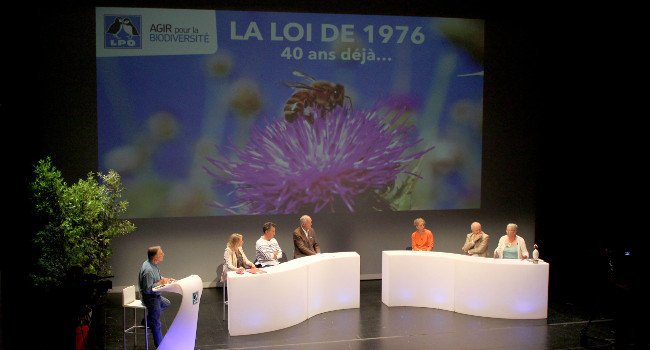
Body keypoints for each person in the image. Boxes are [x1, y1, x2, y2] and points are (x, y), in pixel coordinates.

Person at [138, 246, 175, 348]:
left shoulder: (152, 264)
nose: (163, 255)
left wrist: (165, 280)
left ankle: (147, 321)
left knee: (166, 303)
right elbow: (147, 290)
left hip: (155, 296)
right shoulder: (148, 270)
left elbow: (157, 278)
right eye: (161, 253)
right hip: (150, 298)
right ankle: (161, 346)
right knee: (157, 323)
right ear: (155, 257)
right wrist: (160, 283)